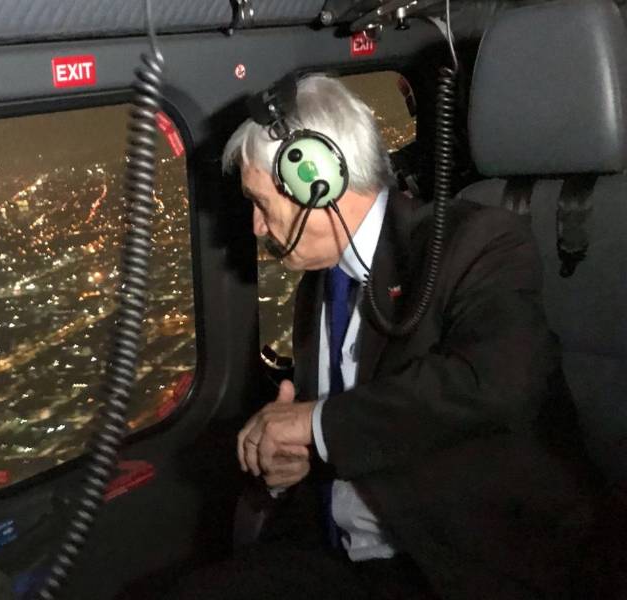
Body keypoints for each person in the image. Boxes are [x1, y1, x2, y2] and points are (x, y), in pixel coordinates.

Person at [167, 74, 600, 600]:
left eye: (260, 203)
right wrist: (295, 463)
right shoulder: (319, 287)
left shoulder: (474, 241)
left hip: (450, 561)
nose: (256, 227)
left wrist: (313, 423)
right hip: (333, 552)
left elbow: (500, 379)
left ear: (317, 180)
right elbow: (346, 434)